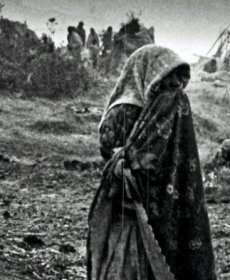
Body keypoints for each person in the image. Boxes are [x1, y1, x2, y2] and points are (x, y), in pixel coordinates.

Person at [89, 45, 216, 280]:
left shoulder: (124, 108)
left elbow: (106, 149)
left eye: (179, 77)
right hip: (139, 208)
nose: (176, 84)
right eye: (170, 76)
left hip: (126, 204)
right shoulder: (151, 107)